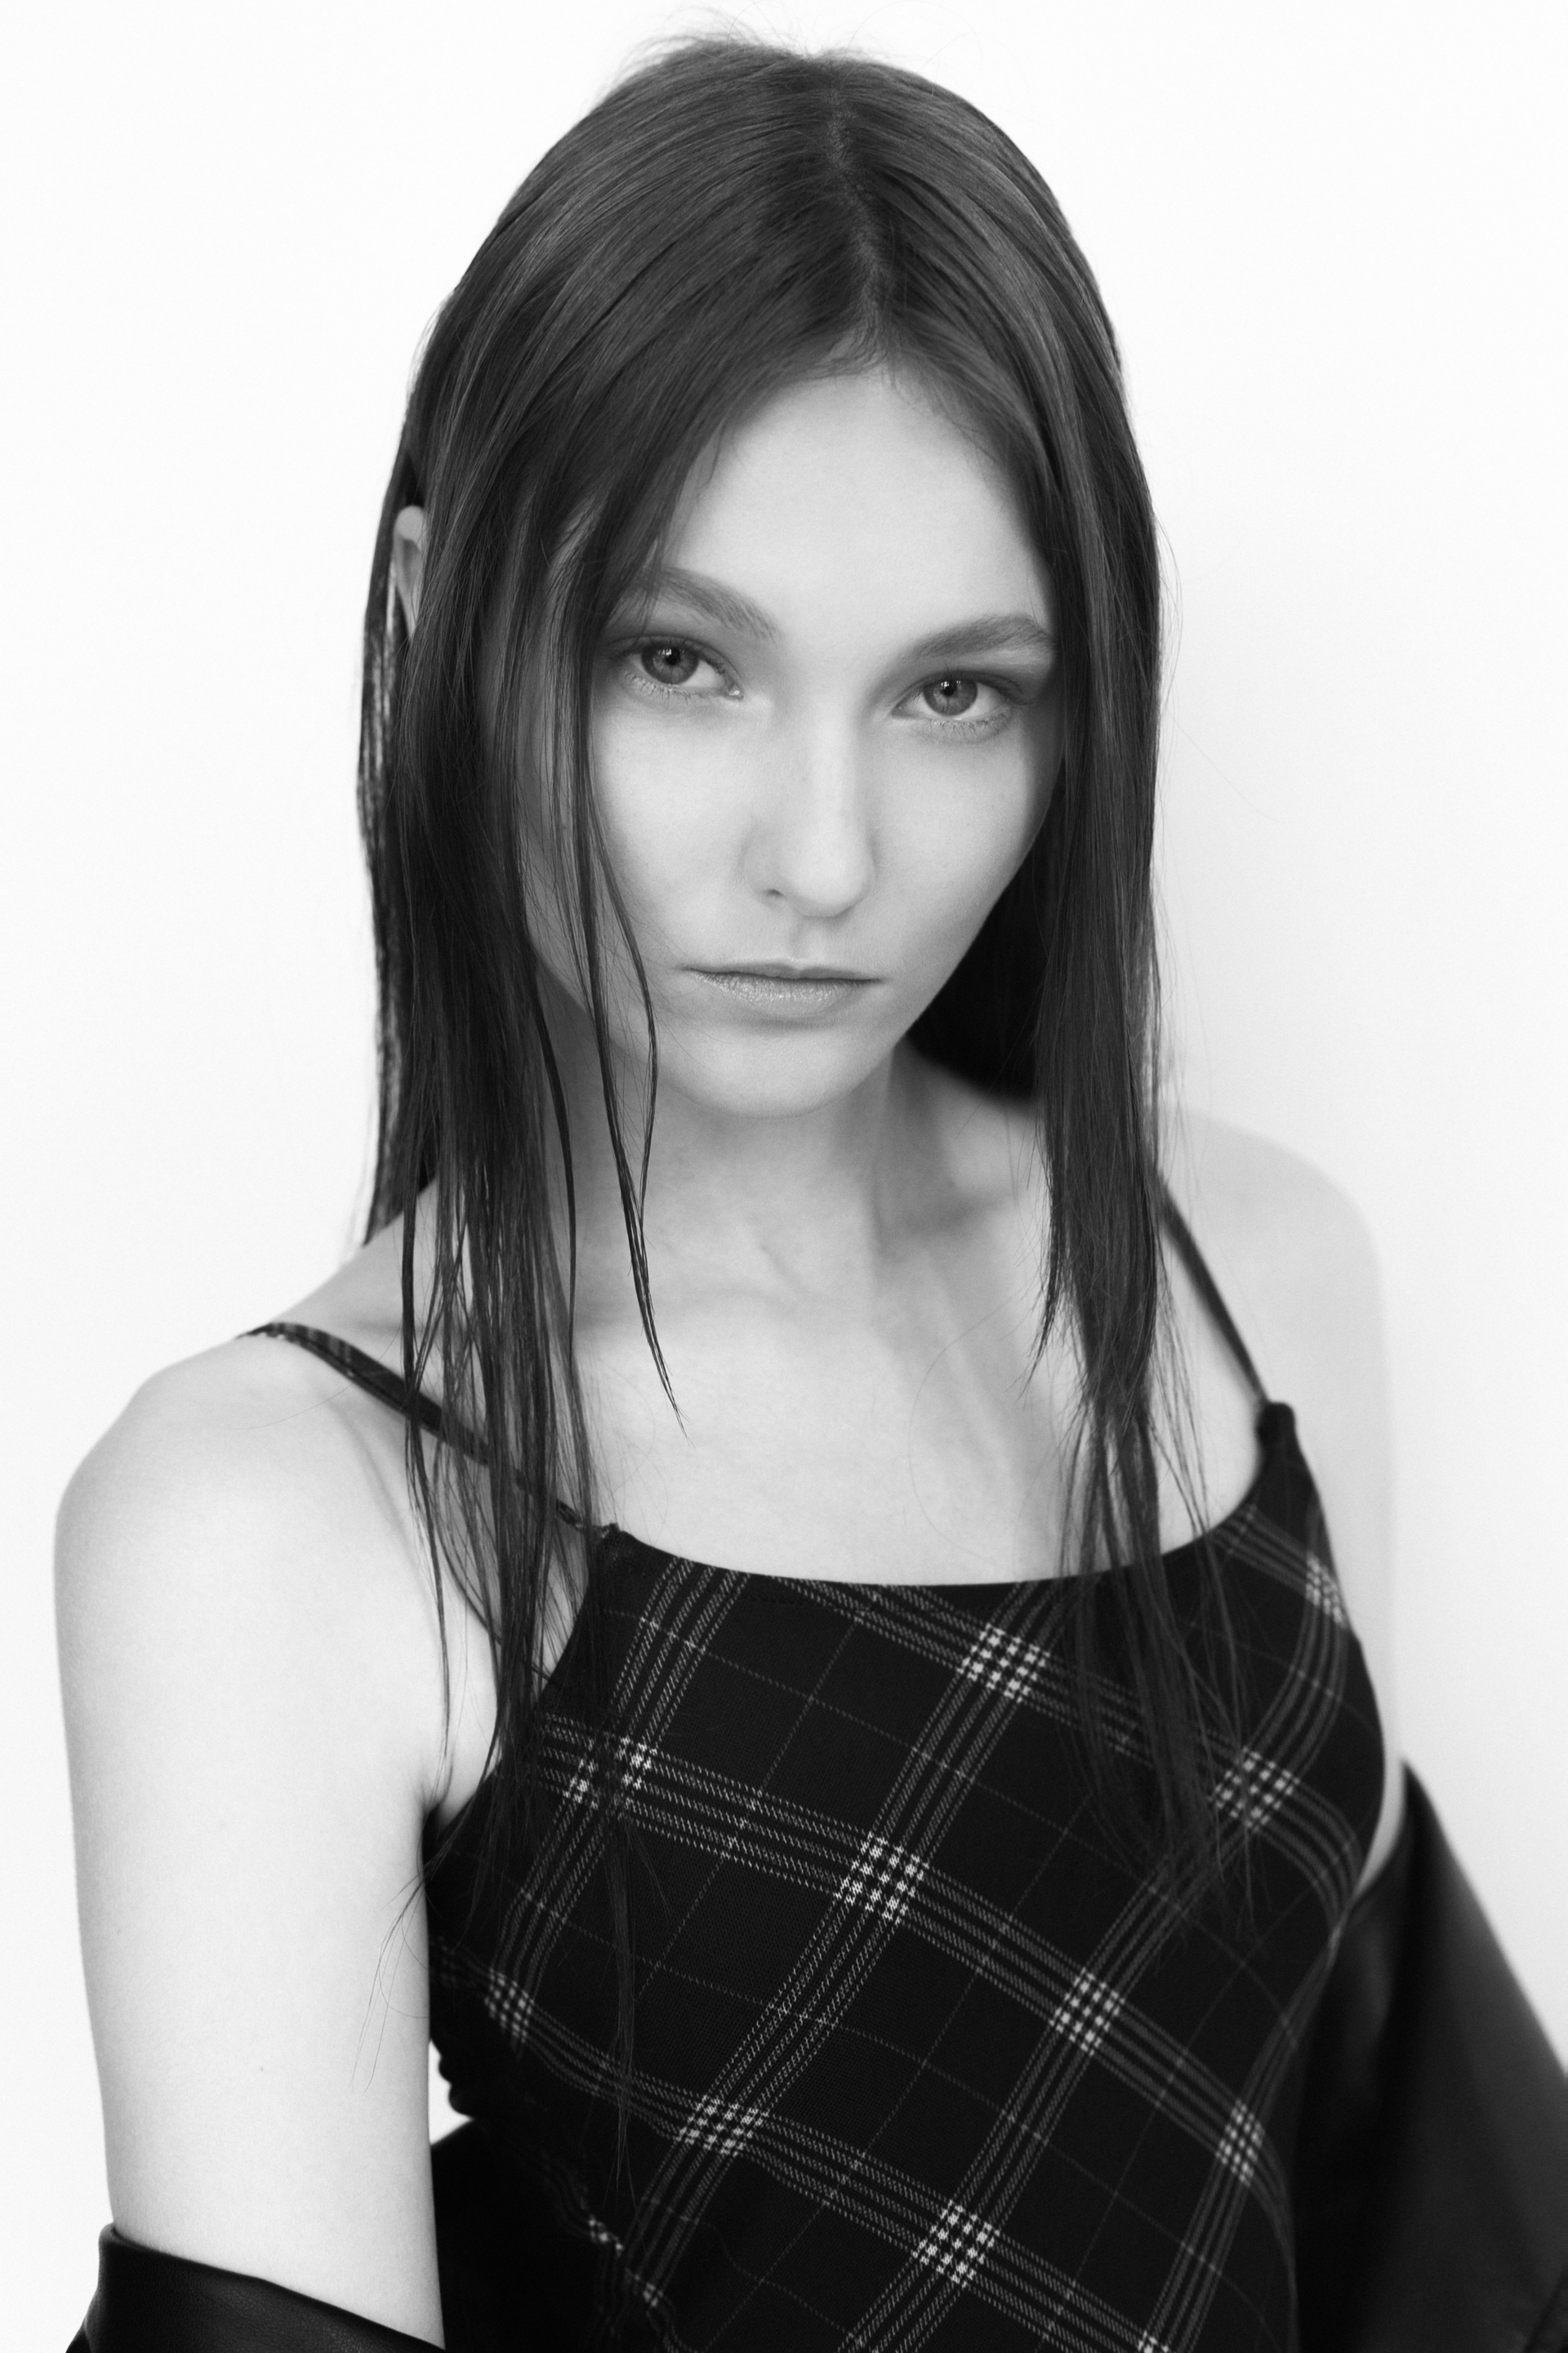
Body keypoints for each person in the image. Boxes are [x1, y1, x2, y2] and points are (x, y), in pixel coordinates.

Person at [57, 34, 1442, 2352]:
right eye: (678, 660)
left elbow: (1435, 2227)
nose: (822, 857)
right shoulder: (272, 1518)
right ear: (434, 614)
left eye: (954, 693)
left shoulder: (1255, 1274)